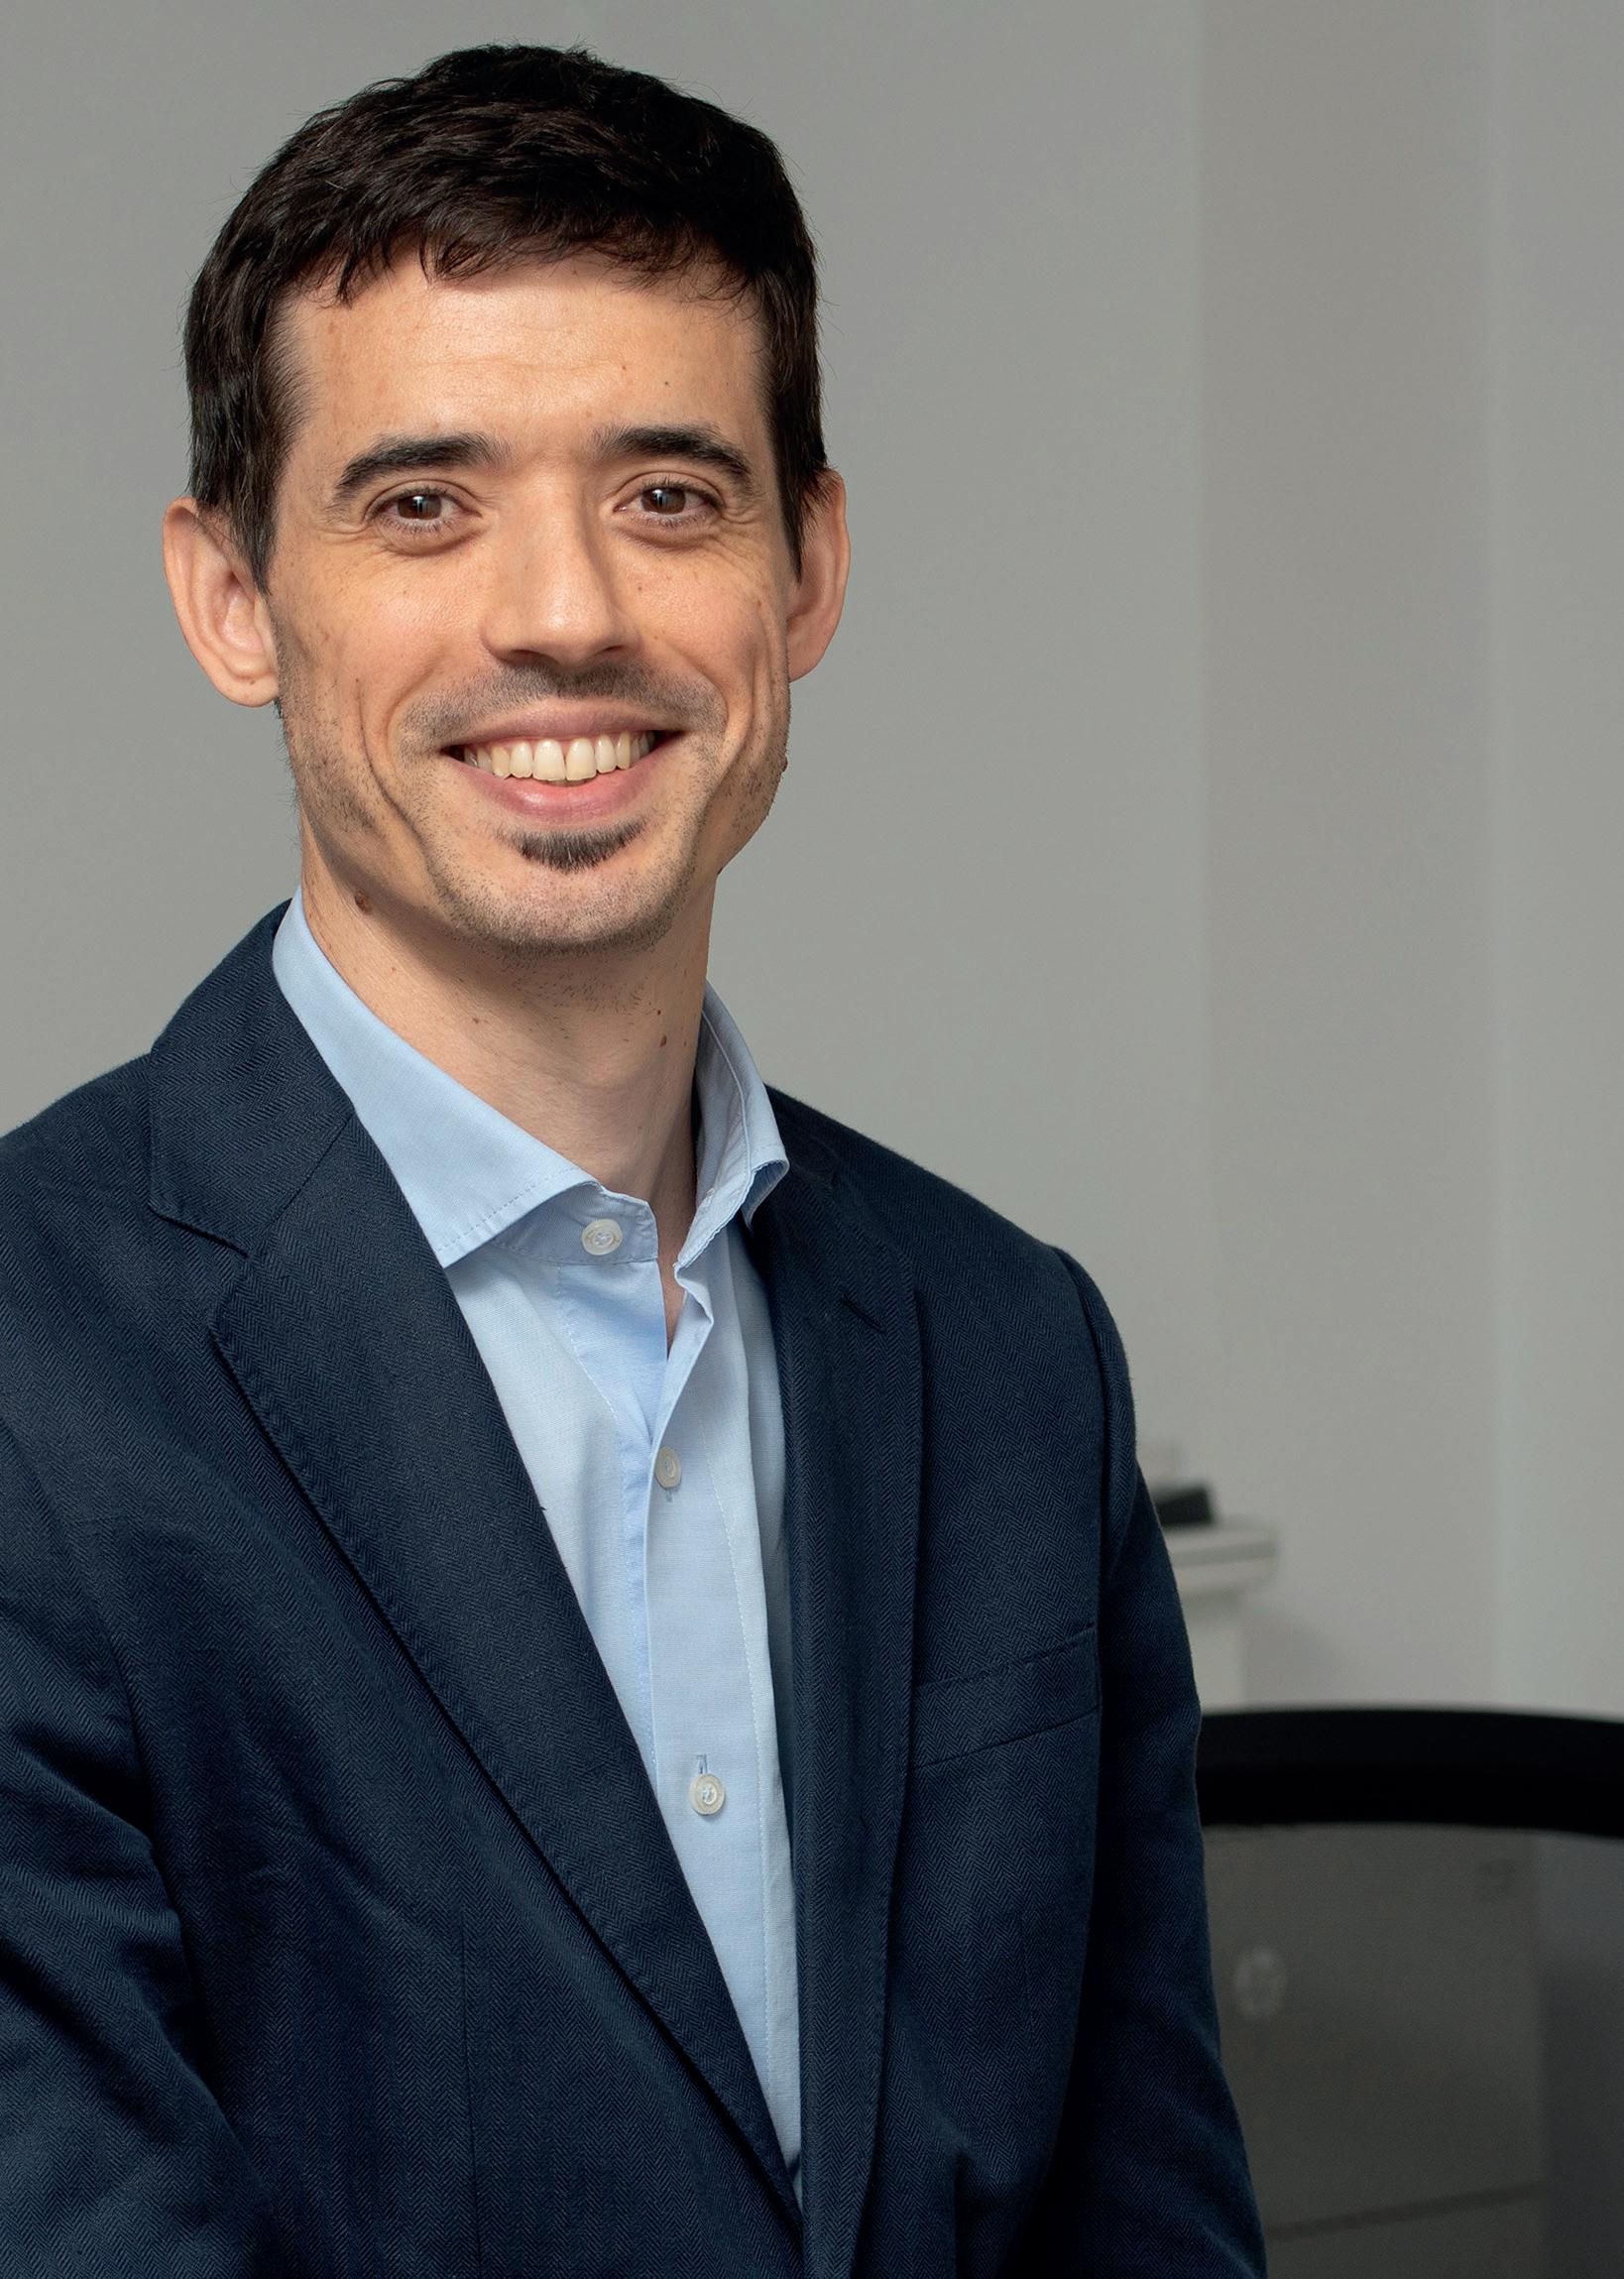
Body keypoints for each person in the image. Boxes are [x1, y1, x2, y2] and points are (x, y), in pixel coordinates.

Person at [0, 42, 1264, 2277]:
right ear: (231, 598)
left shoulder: (1010, 1347)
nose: (565, 612)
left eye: (670, 494)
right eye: (424, 504)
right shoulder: (34, 1366)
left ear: (809, 568)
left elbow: (1147, 2219)